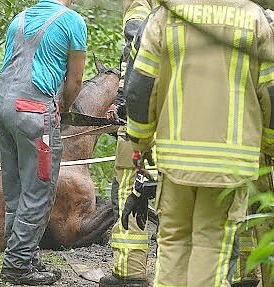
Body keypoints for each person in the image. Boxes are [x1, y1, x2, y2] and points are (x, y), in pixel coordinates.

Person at [125, 0, 274, 286]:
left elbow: (140, 86)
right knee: (211, 248)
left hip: (176, 158)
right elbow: (270, 93)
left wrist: (140, 141)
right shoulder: (255, 19)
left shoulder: (166, 15)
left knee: (172, 245)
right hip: (230, 163)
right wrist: (269, 143)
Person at [0, 0, 87, 285]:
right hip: (34, 112)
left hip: (2, 107)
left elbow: (9, 65)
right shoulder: (73, 21)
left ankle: (25, 255)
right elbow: (75, 79)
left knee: (15, 189)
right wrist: (64, 105)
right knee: (39, 190)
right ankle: (18, 264)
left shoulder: (20, 18)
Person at [100, 1, 159, 286]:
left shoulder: (146, 13)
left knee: (128, 188)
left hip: (146, 121)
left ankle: (129, 272)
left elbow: (135, 39)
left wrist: (125, 111)